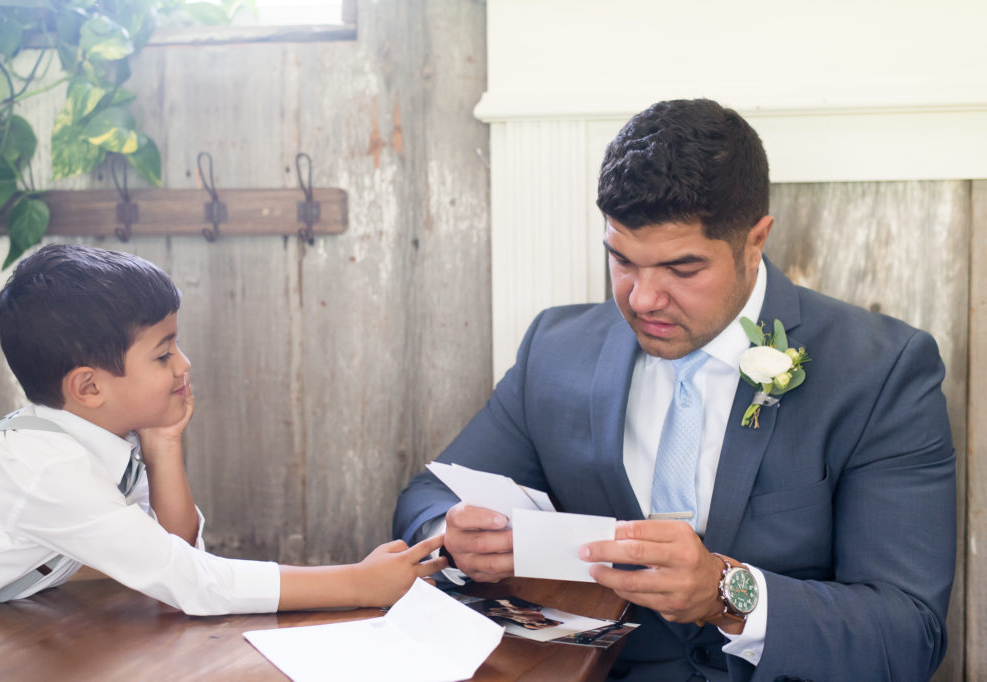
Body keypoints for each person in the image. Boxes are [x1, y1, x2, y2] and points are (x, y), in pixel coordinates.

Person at [393, 98, 956, 681]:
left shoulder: (882, 370)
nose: (642, 299)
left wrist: (727, 595)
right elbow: (426, 498)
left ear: (755, 239)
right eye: (621, 260)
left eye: (682, 270)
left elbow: (908, 635)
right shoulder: (556, 349)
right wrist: (455, 533)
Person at [0, 243, 446, 614]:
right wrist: (357, 584)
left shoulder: (103, 439)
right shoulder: (44, 466)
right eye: (163, 353)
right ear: (89, 387)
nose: (184, 364)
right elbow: (190, 581)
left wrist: (164, 443)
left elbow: (174, 548)